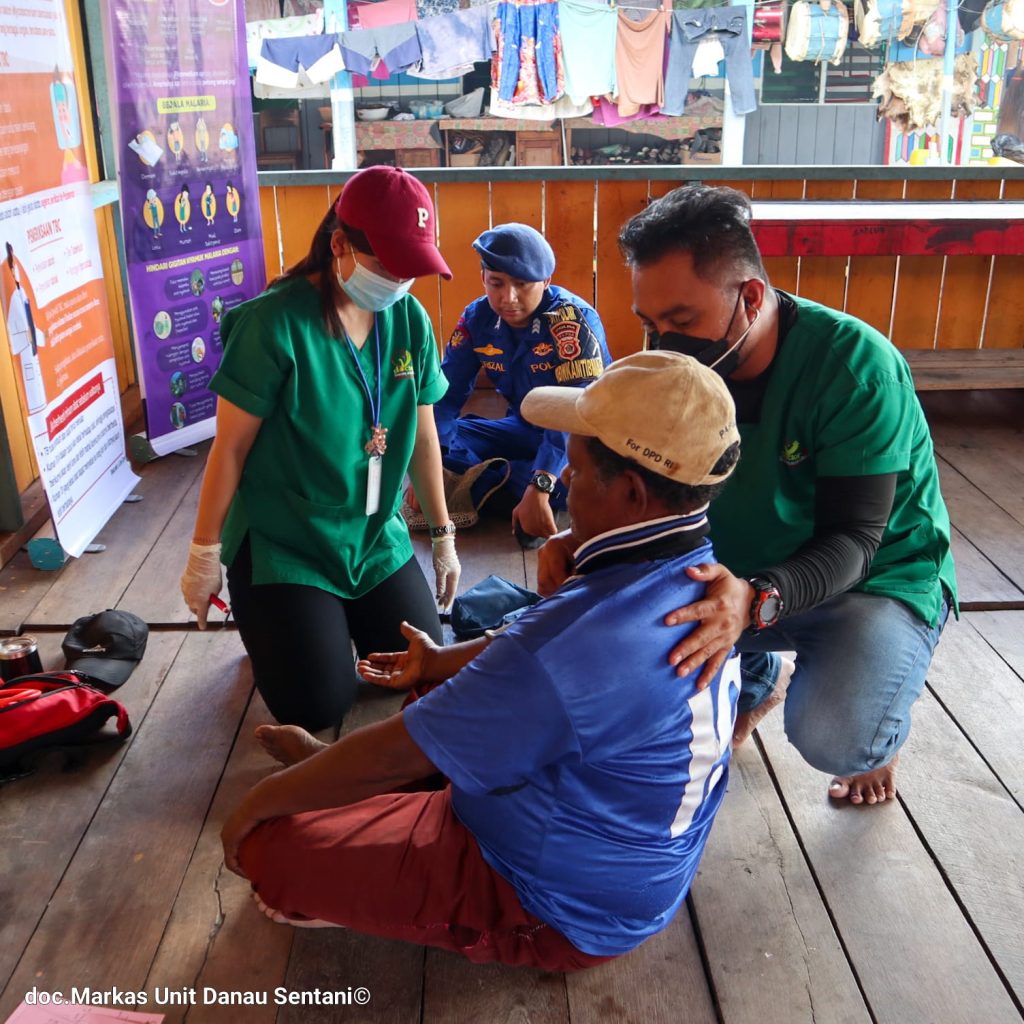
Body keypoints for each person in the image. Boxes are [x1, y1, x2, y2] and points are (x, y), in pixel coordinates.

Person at [221, 351, 742, 971]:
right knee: (439, 692)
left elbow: (533, 673)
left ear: (631, 492)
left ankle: (343, 841)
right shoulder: (697, 575)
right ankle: (343, 783)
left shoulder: (573, 647)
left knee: (270, 849)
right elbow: (545, 668)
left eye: (574, 473)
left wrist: (257, 804)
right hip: (613, 850)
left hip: (555, 907)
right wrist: (443, 660)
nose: (566, 486)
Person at [539, 184, 957, 806]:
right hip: (737, 569)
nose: (663, 346)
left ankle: (872, 729)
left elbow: (855, 541)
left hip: (872, 579)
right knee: (609, 641)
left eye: (681, 322)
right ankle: (755, 671)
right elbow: (650, 494)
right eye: (650, 326)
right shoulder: (678, 374)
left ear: (750, 296)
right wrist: (576, 541)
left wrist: (753, 600)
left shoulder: (853, 367)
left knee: (835, 737)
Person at [180, 166, 462, 733]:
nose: (401, 281)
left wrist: (443, 535)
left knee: (416, 667)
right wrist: (203, 552)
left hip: (373, 532)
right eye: (389, 265)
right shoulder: (272, 324)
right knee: (317, 704)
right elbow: (230, 449)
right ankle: (278, 624)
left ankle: (323, 626)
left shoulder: (407, 317)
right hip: (288, 539)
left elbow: (424, 435)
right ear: (340, 244)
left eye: (413, 268)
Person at [412, 222, 610, 549]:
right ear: (483, 280)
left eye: (522, 284)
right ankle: (505, 487)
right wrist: (432, 466)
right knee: (439, 439)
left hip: (580, 444)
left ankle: (506, 488)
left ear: (546, 282)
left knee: (588, 480)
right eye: (497, 283)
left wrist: (542, 481)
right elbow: (446, 397)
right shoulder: (477, 318)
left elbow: (578, 414)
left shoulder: (572, 322)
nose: (508, 298)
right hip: (523, 428)